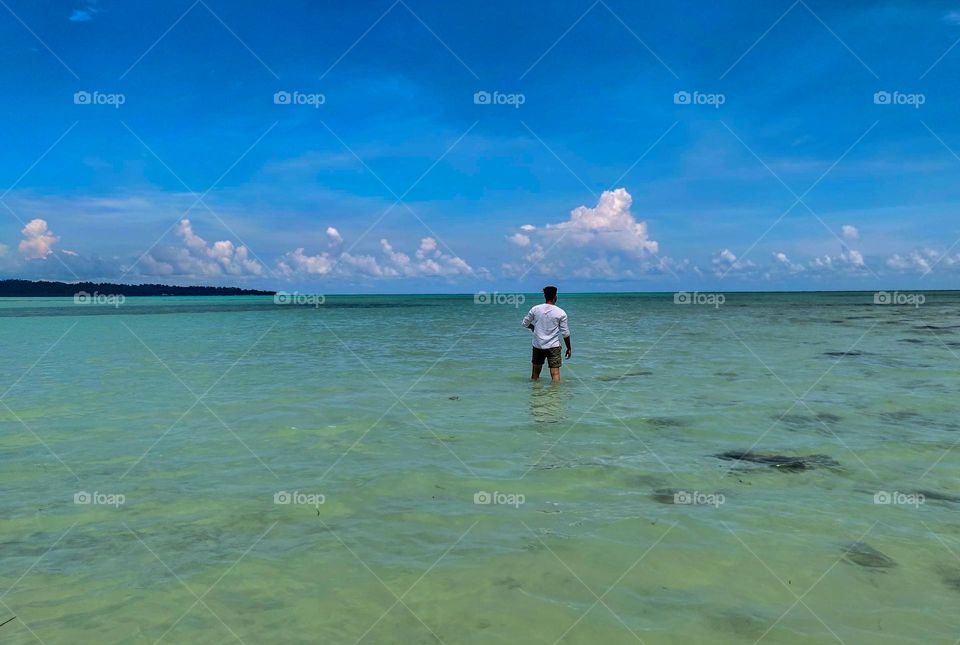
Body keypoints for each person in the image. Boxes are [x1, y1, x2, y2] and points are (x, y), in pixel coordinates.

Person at [521, 285, 571, 382]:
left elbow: (525, 323)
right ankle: (555, 396)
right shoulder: (561, 313)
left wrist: (533, 328)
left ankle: (536, 395)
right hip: (553, 346)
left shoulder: (535, 309)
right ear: (555, 296)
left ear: (545, 296)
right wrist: (569, 348)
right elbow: (565, 333)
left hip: (538, 345)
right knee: (555, 374)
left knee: (535, 375)